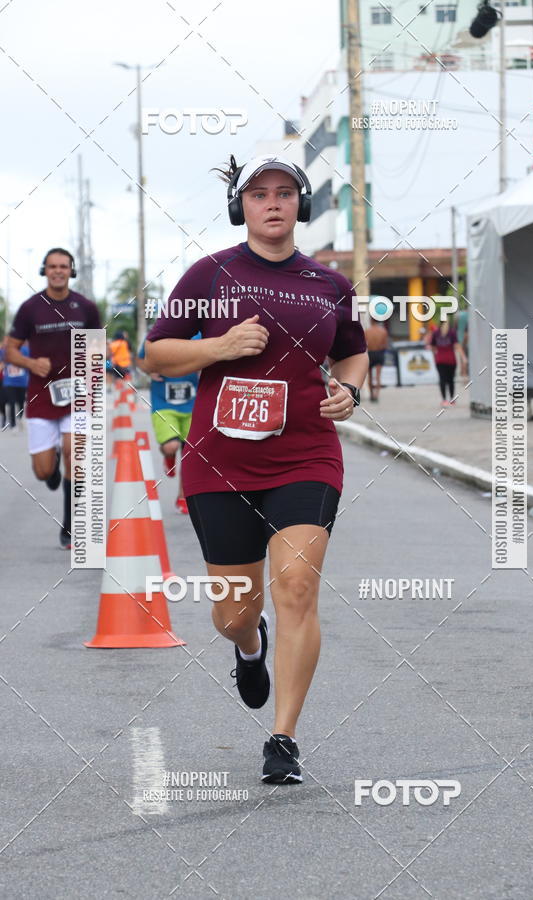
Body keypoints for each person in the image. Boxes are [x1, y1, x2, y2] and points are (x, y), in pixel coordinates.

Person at [145, 154, 368, 784]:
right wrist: (220, 346)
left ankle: (284, 738)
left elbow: (352, 356)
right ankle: (250, 644)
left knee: (297, 586)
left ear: (301, 206)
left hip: (306, 453)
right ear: (240, 207)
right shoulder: (208, 274)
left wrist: (350, 392)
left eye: (285, 193)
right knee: (234, 612)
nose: (273, 203)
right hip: (220, 461)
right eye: (259, 194)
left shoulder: (329, 284)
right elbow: (156, 355)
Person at [6, 248, 101, 549]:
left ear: (71, 271)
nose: (58, 271)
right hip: (41, 395)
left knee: (76, 454)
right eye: (52, 266)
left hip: (77, 393)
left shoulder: (85, 307)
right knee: (44, 471)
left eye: (64, 266)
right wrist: (31, 364)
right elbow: (9, 350)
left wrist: (93, 368)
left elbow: (98, 349)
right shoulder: (30, 308)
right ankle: (53, 462)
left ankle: (70, 527)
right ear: (44, 270)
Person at [136, 332, 201, 514]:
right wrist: (149, 369)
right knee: (172, 446)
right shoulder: (157, 334)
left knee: (190, 454)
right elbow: (140, 360)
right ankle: (168, 455)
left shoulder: (199, 334)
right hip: (163, 403)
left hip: (192, 404)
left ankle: (183, 496)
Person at [426, 319, 466, 407]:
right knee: (450, 380)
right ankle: (452, 399)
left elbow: (432, 346)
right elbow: (457, 346)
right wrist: (463, 357)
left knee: (442, 379)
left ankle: (444, 400)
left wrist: (435, 353)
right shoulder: (452, 333)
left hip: (440, 359)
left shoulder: (436, 333)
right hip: (451, 359)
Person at [2, 337, 29, 429]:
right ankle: (13, 424)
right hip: (9, 382)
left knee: (21, 402)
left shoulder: (25, 350)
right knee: (11, 402)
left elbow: (30, 363)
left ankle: (20, 418)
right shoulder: (5, 351)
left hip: (22, 382)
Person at [364, 319, 389, 402]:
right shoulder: (383, 331)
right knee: (378, 376)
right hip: (379, 353)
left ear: (371, 321)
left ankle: (371, 395)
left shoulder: (367, 331)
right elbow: (385, 345)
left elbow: (364, 344)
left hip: (370, 353)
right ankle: (376, 395)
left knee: (370, 376)